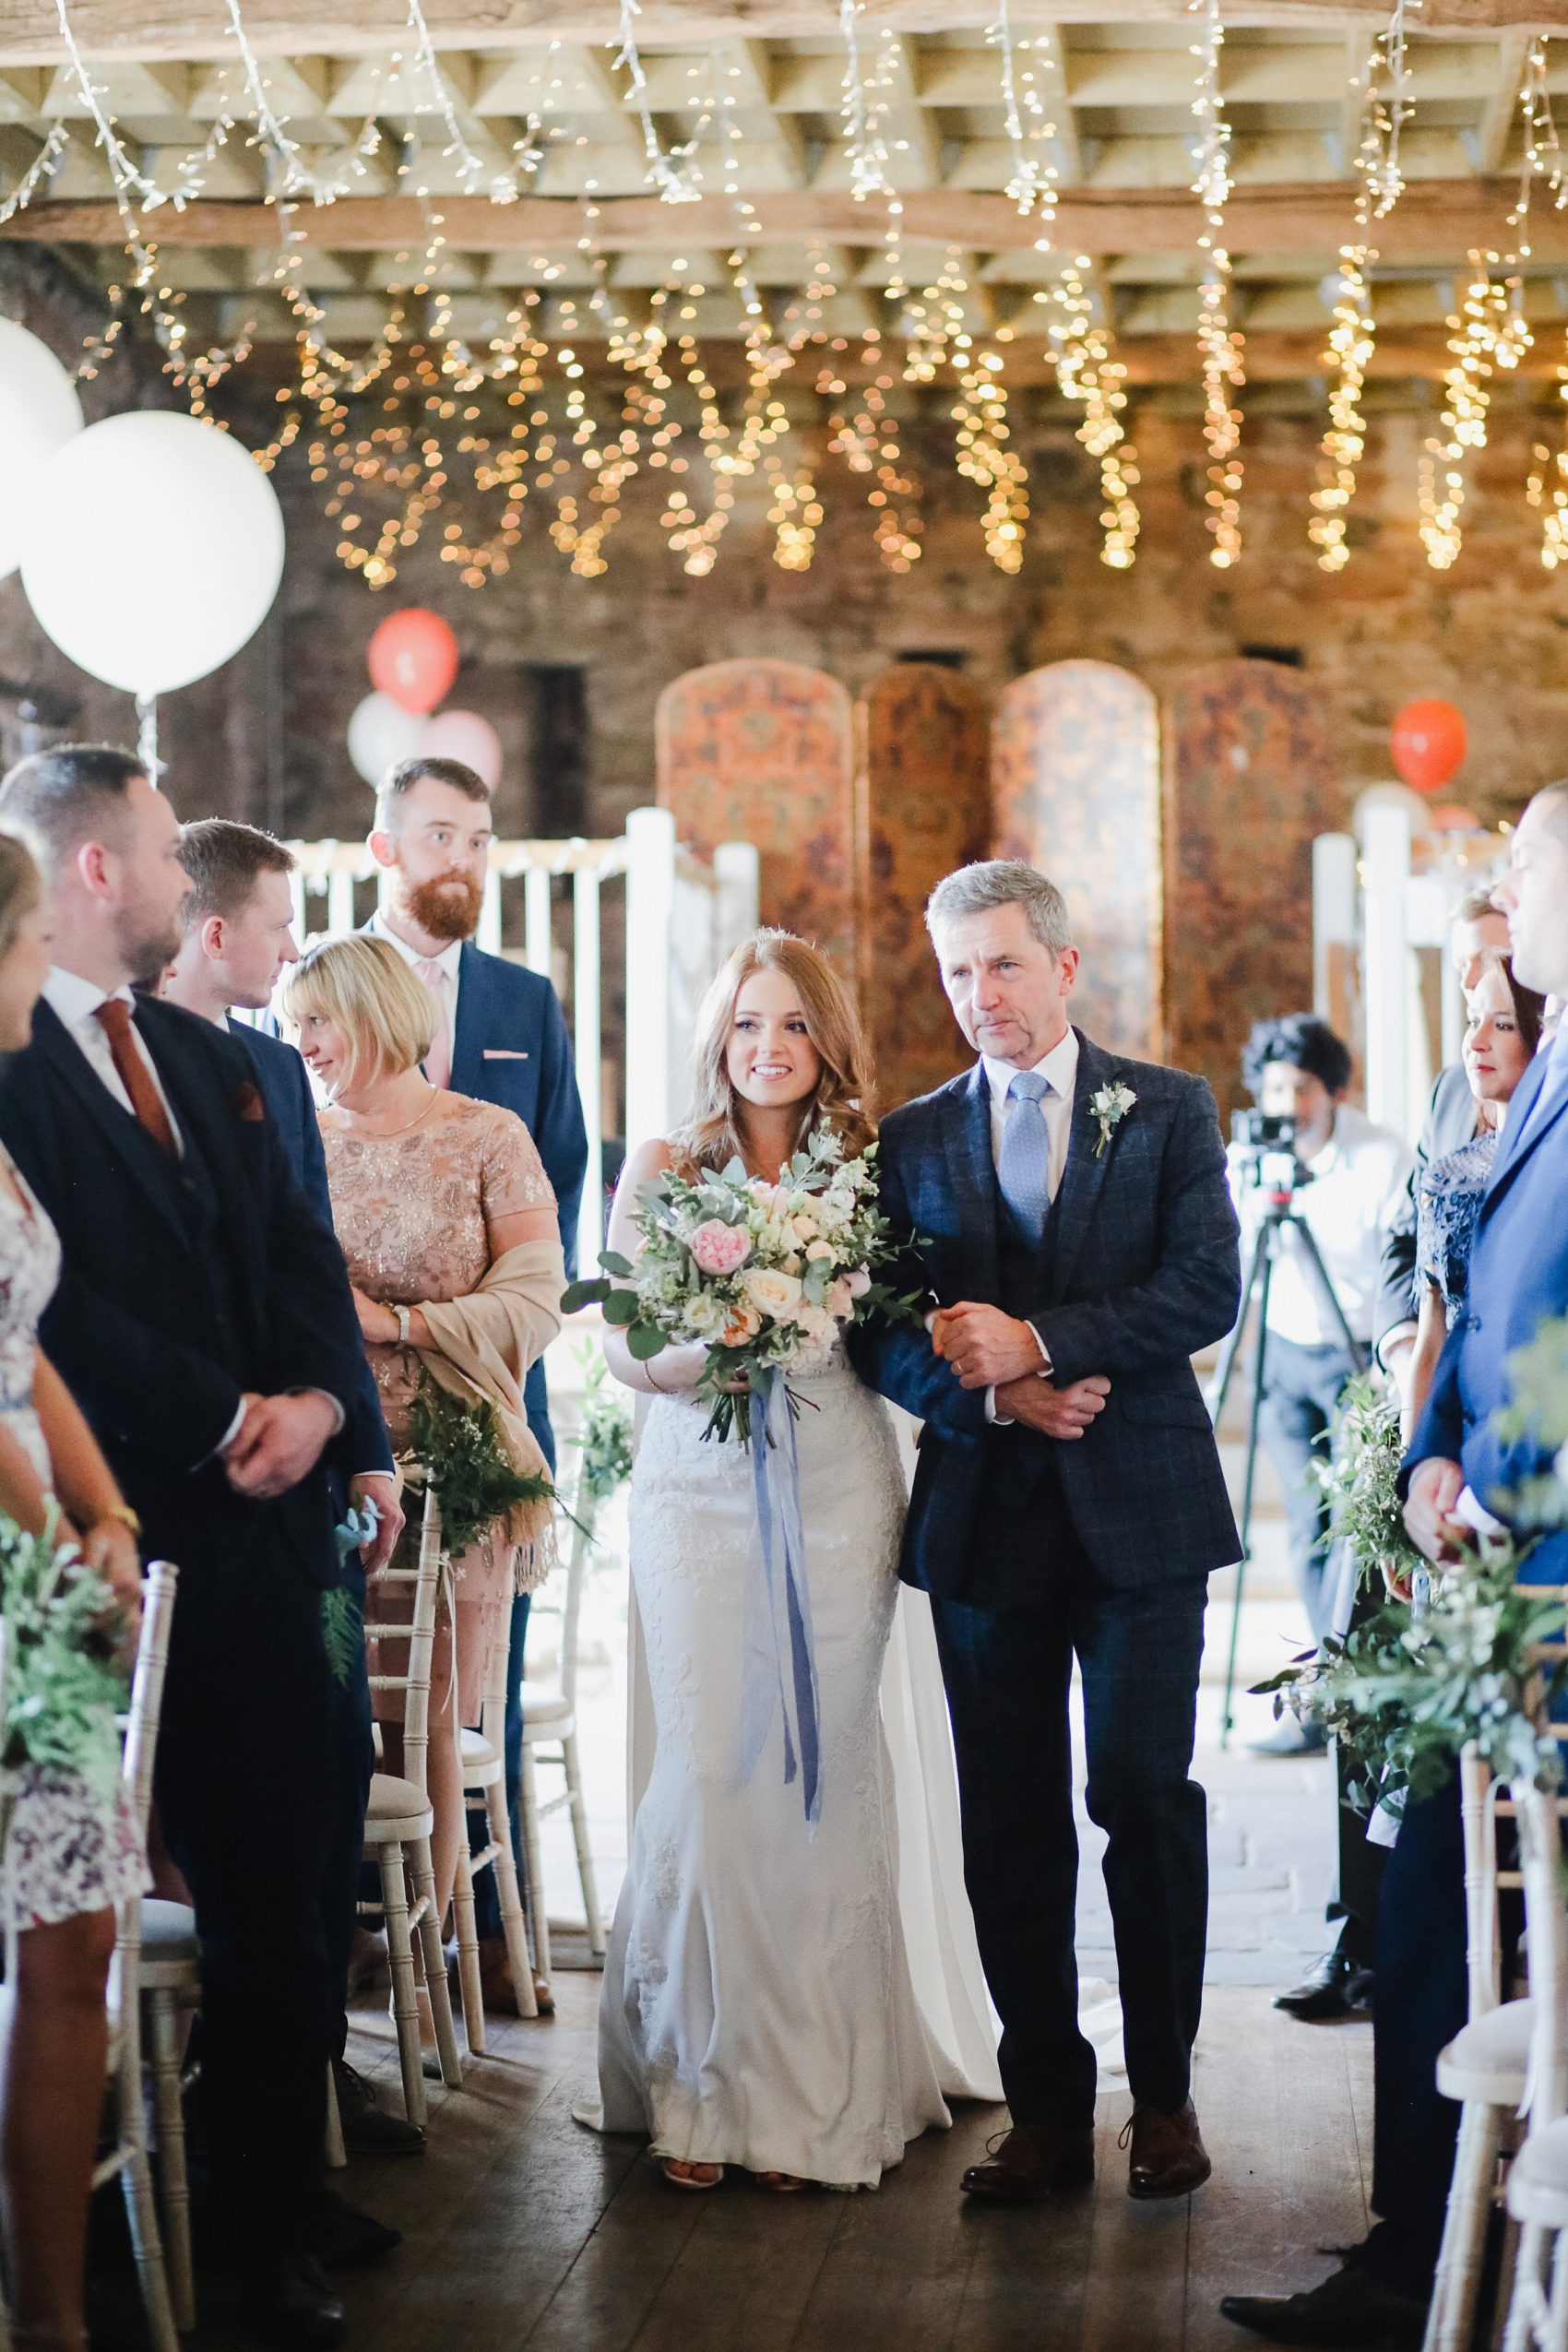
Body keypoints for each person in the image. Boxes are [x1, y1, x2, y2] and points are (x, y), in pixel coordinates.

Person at [0, 746, 384, 2349]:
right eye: (164, 848)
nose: (184, 878)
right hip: (116, 1526)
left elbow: (299, 1236)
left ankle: (274, 2202)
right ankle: (87, 2256)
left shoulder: (204, 1049)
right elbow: (50, 1318)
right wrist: (223, 1415)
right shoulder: (11, 1058)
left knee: (292, 1870)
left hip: (265, 1525)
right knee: (80, 1922)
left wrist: (326, 1412)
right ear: (98, 870)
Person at [1221, 785, 1568, 2348]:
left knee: (1449, 1899)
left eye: (1526, 873)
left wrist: (1486, 1489)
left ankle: (1441, 2252)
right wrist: (1428, 1445)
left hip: (1533, 1573)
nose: (1503, 897)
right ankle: (1418, 2245)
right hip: (1474, 1550)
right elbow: (1472, 1293)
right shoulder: (1527, 1077)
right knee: (1422, 1899)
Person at [848, 860, 1243, 2206]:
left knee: (1142, 1796)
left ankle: (1169, 2098)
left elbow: (1206, 1286)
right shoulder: (911, 1139)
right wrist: (996, 1390)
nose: (980, 996)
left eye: (1003, 965)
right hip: (984, 1518)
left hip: (1145, 1514)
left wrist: (1052, 1338)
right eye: (958, 971)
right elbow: (875, 1329)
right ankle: (1047, 2112)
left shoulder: (1170, 1109)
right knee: (1008, 1821)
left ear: (1065, 967)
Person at [587, 929, 967, 2192]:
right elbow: (623, 1348)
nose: (768, 1047)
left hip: (833, 1485)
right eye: (749, 1022)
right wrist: (718, 1336)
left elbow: (903, 1321)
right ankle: (702, 2085)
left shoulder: (872, 1163)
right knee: (713, 1767)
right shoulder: (661, 1163)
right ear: (718, 1034)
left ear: (825, 1040)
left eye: (793, 1024)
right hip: (696, 1487)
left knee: (818, 1763)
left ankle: (813, 2096)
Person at [163, 818, 418, 2163]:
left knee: (326, 1777)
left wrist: (356, 1431)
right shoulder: (67, 1066)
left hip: (299, 1484)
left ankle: (304, 2083)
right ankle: (205, 2105)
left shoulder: (265, 1067)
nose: (292, 942)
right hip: (169, 1485)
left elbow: (309, 1269)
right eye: (279, 919)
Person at [282, 933, 564, 1957]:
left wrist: (394, 1325)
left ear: (372, 1013)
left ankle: (427, 1956)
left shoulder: (487, 1136)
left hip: (458, 1466)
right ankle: (337, 1947)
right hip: (328, 1471)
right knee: (321, 1714)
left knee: (428, 1719)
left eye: (316, 1018)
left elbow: (534, 1303)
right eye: (292, 1019)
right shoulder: (296, 1143)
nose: (299, 1040)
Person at [364, 754, 588, 2014]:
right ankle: (366, 1919)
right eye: (441, 834)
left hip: (492, 1389)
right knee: (362, 1664)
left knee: (476, 1683)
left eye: (484, 838)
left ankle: (486, 1931)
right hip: (359, 1401)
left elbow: (556, 1170)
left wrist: (470, 1335)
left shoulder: (525, 1000)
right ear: (387, 846)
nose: (466, 860)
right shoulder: (324, 990)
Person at [0, 830, 148, 2352]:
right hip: (5, 1594)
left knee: (77, 1940)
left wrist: (104, 1506)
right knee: (53, 1938)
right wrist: (53, 1547)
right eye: (28, 939)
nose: (44, 967)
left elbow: (19, 1345)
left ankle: (52, 2316)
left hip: (40, 1581)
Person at [1233, 1015, 1414, 1675]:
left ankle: (1356, 1683)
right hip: (1282, 1355)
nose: (1286, 1107)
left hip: (1357, 1358)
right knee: (1309, 1526)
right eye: (1274, 1090)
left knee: (1350, 1526)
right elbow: (1235, 1260)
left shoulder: (1380, 1159)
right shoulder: (1249, 1159)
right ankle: (1325, 1686)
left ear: (1334, 1090)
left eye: (1303, 1089)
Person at [1374, 888, 1513, 1396]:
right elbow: (1405, 1235)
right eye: (1461, 966)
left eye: (1491, 960)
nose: (1472, 981)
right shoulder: (1452, 1089)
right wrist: (1404, 1350)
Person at [1402, 956, 1545, 1435]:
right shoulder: (1445, 1178)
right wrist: (1411, 1470)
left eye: (1502, 1024)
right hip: (1460, 1427)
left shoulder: (1553, 1171)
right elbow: (1431, 1341)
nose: (1475, 1040)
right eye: (1472, 1020)